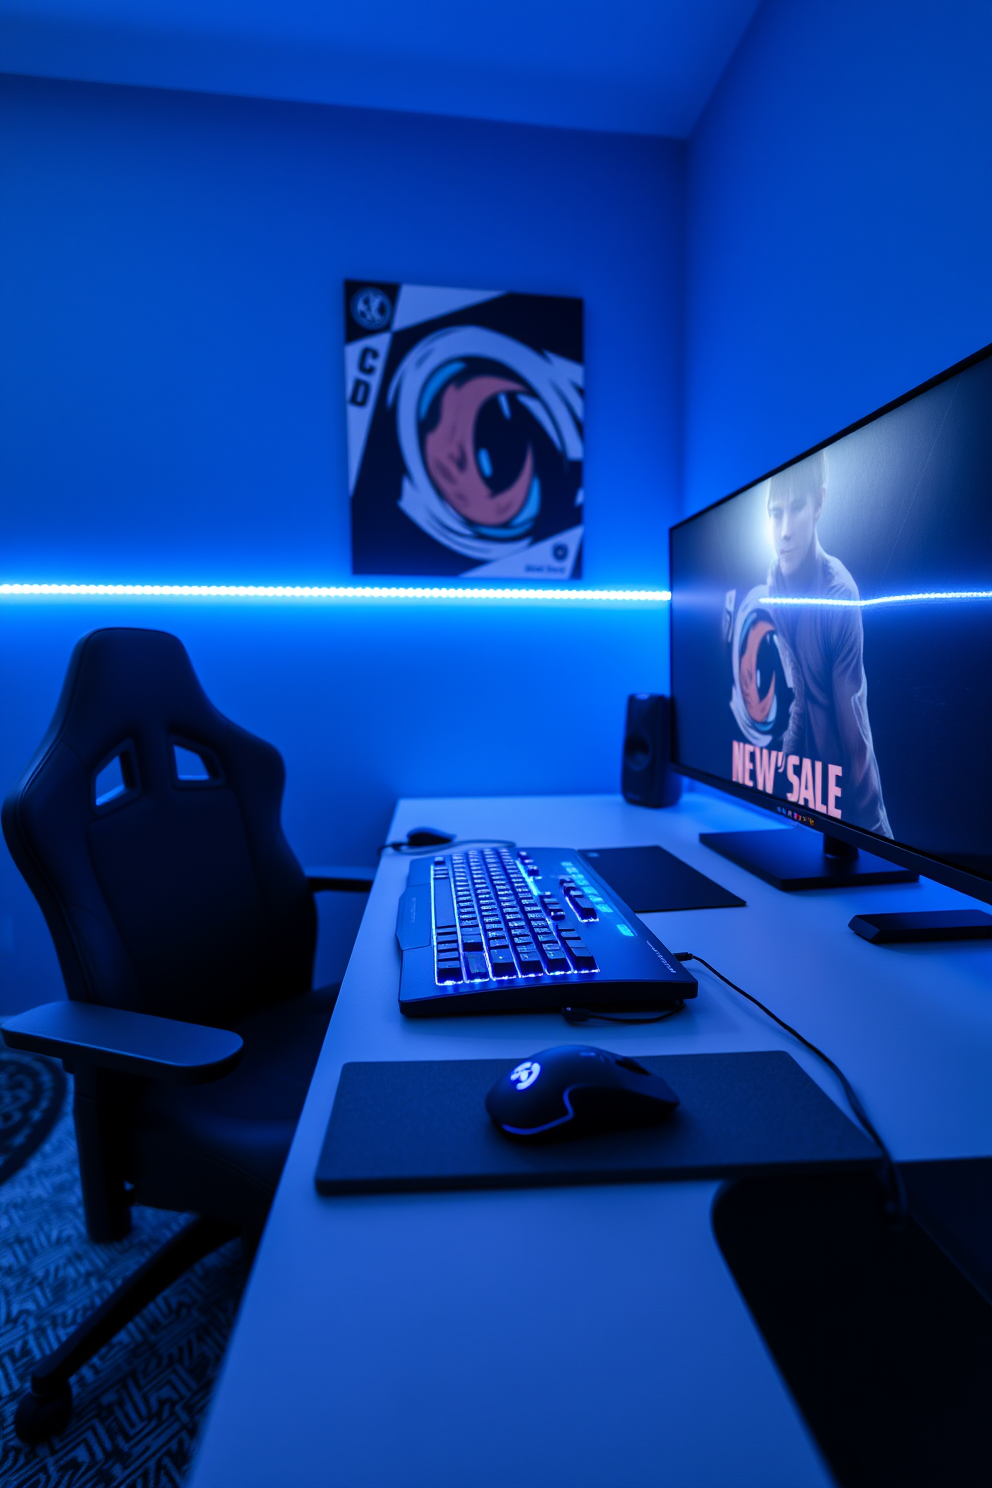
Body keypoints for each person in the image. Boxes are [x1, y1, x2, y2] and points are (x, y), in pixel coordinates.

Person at [765, 449, 892, 836]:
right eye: (775, 512)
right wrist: (777, 790)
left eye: (797, 507)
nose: (784, 529)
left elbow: (856, 738)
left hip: (849, 817)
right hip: (805, 807)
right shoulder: (775, 584)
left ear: (819, 503)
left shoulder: (838, 594)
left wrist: (884, 846)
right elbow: (802, 698)